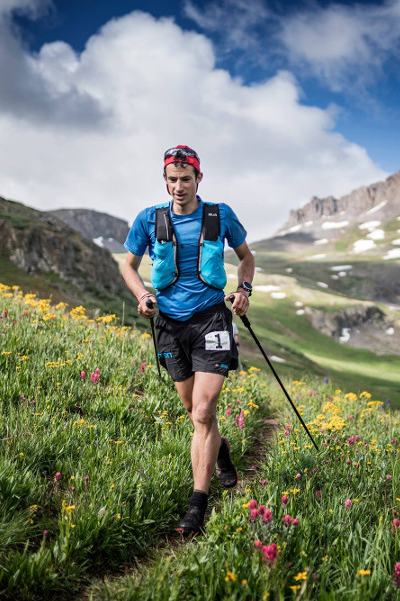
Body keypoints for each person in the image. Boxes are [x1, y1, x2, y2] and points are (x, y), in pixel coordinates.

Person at [122, 144, 255, 534]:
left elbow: (247, 257)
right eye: (173, 179)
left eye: (186, 178)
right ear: (165, 181)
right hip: (169, 324)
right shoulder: (149, 220)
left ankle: (197, 507)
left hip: (212, 318)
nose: (179, 186)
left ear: (199, 178)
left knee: (203, 411)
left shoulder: (220, 215)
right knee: (194, 412)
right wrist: (143, 296)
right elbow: (128, 266)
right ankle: (221, 448)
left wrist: (244, 288)